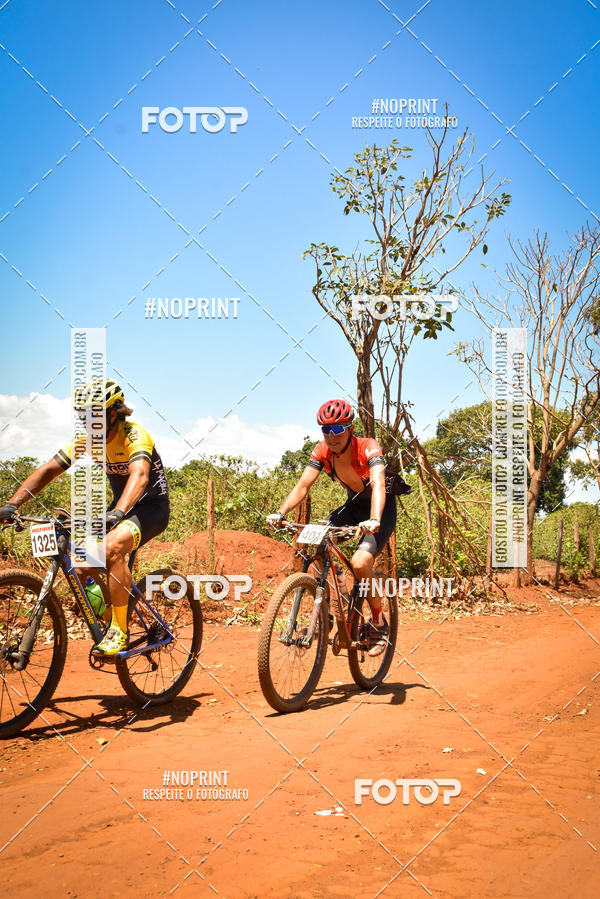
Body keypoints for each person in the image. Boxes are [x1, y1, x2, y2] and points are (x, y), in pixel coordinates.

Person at [0, 379, 170, 655]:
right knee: (80, 566)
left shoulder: (134, 434)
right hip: (120, 507)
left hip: (150, 507)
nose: (87, 423)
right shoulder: (87, 440)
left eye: (93, 415)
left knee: (112, 548)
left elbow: (139, 476)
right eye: (83, 417)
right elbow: (48, 470)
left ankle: (120, 630)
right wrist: (12, 504)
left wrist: (117, 513)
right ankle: (111, 616)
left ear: (113, 413)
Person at [267, 398, 397, 656]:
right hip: (352, 507)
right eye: (326, 430)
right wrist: (281, 512)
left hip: (379, 510)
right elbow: (303, 485)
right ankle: (325, 610)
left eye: (337, 429)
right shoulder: (322, 451)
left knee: (360, 563)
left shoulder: (368, 447)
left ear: (350, 428)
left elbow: (379, 485)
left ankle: (379, 622)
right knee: (315, 540)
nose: (331, 436)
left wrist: (373, 519)